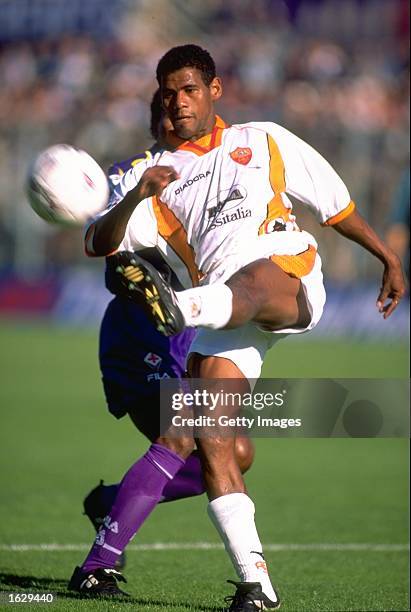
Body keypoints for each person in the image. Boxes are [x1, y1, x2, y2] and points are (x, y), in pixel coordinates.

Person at [75, 45, 406, 611]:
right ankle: (256, 585)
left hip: (285, 278)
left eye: (190, 90)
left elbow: (337, 206)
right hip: (227, 319)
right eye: (169, 93)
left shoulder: (265, 139)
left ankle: (182, 309)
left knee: (249, 281)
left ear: (214, 90)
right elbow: (96, 243)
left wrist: (388, 259)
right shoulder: (146, 173)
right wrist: (136, 195)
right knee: (211, 441)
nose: (178, 102)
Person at [73, 89, 255, 592]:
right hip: (138, 332)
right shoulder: (131, 173)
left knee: (235, 454)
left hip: (191, 331)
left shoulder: (218, 171)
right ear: (162, 121)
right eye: (174, 109)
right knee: (181, 436)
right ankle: (95, 567)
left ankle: (111, 504)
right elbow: (99, 241)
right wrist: (137, 196)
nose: (186, 117)